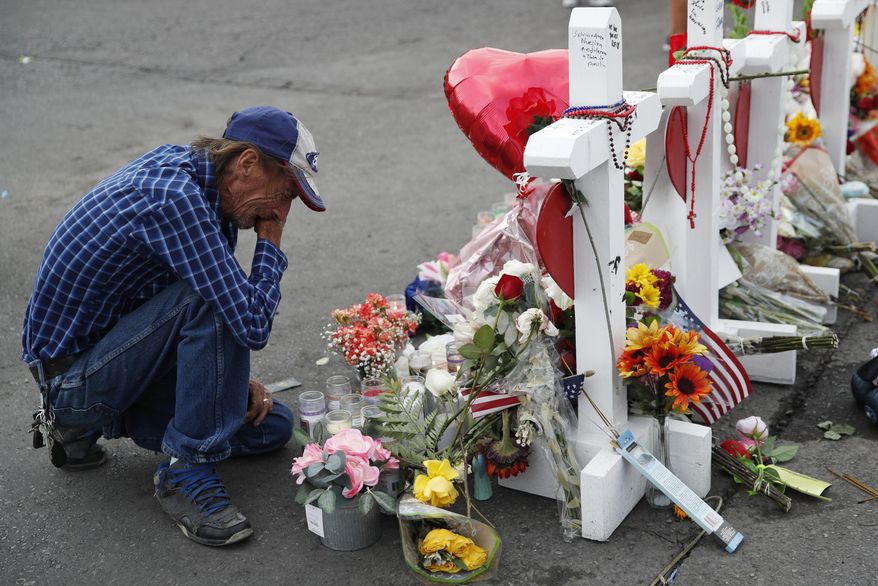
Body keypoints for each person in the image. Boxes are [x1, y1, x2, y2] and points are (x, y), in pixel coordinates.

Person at [22, 106, 324, 546]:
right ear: (246, 163)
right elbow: (249, 323)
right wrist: (270, 243)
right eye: (285, 194)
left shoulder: (210, 190)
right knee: (209, 302)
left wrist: (229, 381)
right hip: (72, 380)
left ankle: (82, 430)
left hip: (114, 353)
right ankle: (186, 469)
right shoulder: (175, 199)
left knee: (271, 424)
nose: (279, 212)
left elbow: (207, 317)